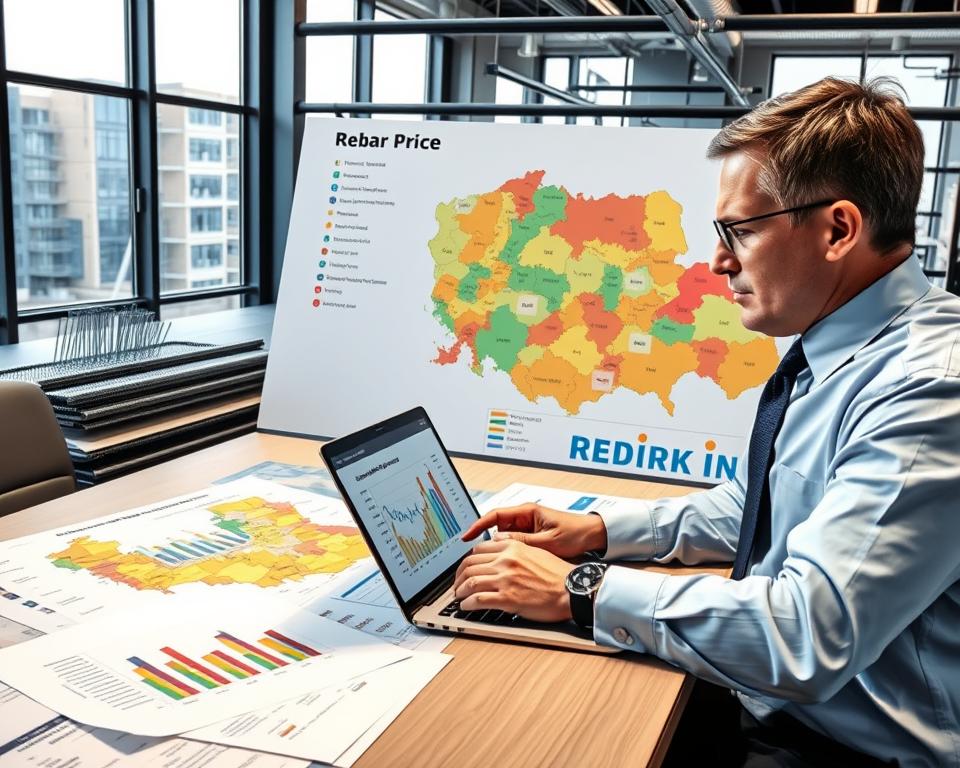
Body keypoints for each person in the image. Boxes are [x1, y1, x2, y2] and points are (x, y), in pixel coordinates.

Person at [454, 77, 960, 767]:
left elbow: (806, 638)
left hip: (838, 747)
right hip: (781, 706)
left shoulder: (929, 390)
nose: (719, 260)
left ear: (838, 228)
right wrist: (599, 533)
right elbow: (769, 503)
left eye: (741, 231)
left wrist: (582, 591)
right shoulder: (850, 345)